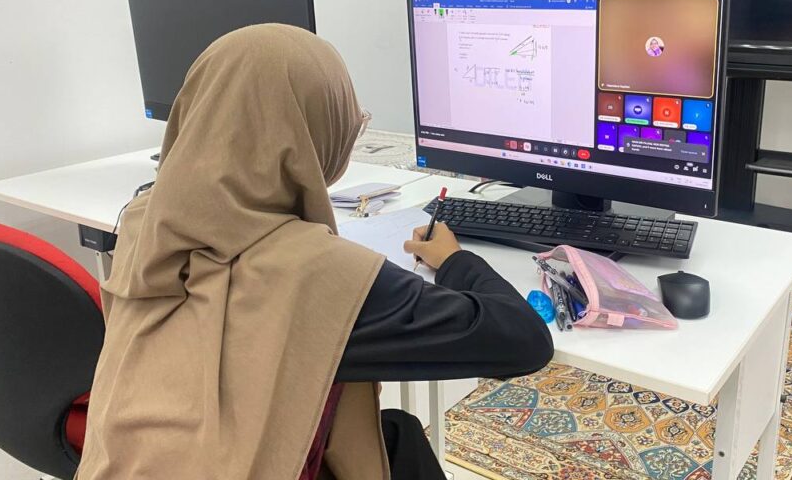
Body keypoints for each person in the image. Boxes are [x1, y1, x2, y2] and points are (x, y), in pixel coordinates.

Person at [76, 24, 553, 480]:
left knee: (399, 435)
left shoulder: (143, 222)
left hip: (121, 464)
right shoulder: (314, 275)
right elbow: (523, 341)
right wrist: (454, 261)